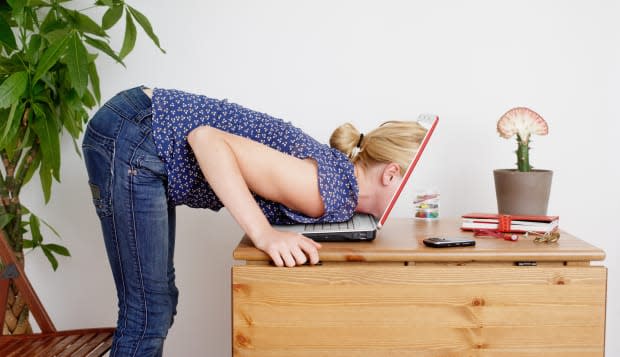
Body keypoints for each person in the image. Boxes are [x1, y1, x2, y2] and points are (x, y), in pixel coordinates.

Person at [81, 86, 428, 356]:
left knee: (158, 305)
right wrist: (263, 234)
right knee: (148, 312)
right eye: (411, 184)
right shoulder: (325, 189)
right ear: (391, 173)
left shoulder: (341, 189)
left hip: (140, 125)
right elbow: (206, 139)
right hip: (134, 133)